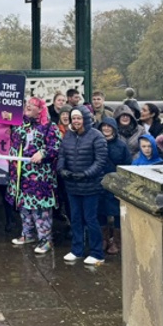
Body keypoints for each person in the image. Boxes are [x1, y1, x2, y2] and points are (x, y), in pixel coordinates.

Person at [7, 97, 60, 255]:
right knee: (24, 206)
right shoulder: (20, 124)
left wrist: (42, 153)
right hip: (20, 174)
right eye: (28, 104)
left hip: (40, 176)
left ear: (40, 109)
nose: (28, 106)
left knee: (40, 209)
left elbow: (56, 146)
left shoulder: (49, 126)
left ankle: (46, 240)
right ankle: (28, 234)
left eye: (33, 105)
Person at [58, 106, 108, 266]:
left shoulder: (97, 136)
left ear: (85, 119)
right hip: (72, 185)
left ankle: (97, 253)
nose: (76, 121)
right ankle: (76, 249)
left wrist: (86, 174)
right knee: (75, 218)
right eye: (73, 118)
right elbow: (62, 155)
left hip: (90, 186)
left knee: (90, 219)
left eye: (79, 118)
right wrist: (61, 169)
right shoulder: (68, 135)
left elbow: (100, 161)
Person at [98, 117, 131, 254]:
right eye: (104, 126)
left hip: (116, 183)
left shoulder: (121, 145)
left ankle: (117, 242)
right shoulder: (96, 143)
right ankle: (103, 239)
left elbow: (127, 164)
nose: (106, 129)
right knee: (100, 212)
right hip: (99, 182)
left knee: (117, 213)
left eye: (109, 126)